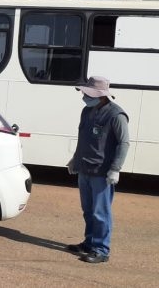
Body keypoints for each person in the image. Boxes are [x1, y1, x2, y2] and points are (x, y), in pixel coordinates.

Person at [66, 76, 129, 264]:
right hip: (85, 168)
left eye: (86, 93)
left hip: (102, 172)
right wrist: (74, 160)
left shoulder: (116, 115)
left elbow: (123, 143)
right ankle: (89, 243)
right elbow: (83, 138)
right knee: (88, 210)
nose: (84, 96)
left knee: (101, 212)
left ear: (100, 95)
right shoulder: (87, 111)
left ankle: (101, 249)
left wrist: (115, 169)